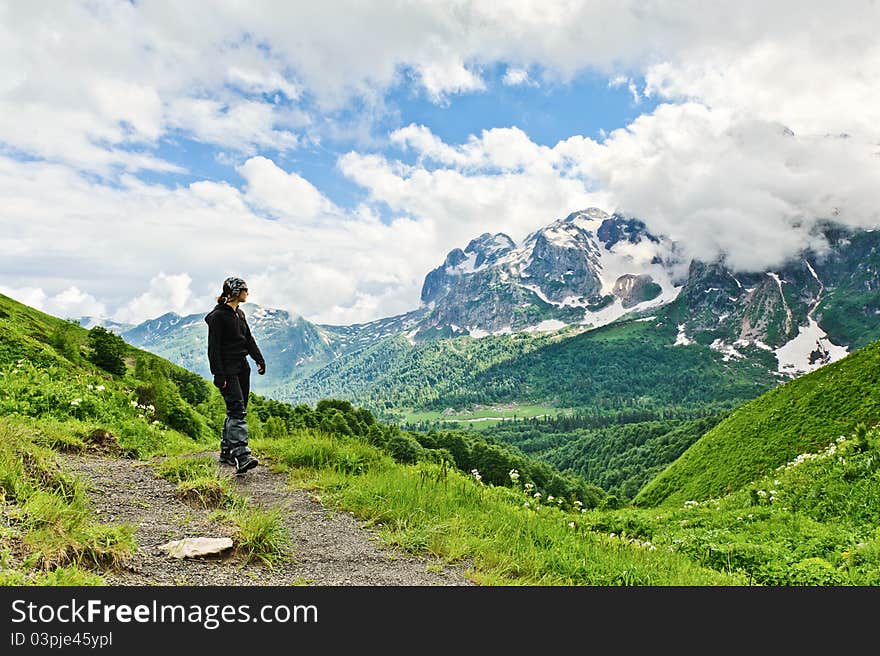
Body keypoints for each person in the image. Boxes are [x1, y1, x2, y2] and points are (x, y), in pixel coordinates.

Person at [204, 276, 266, 475]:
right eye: (245, 289)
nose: (248, 292)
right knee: (237, 409)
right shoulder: (218, 317)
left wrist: (258, 359)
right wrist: (218, 374)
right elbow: (213, 349)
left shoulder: (239, 314)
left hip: (242, 367)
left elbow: (248, 339)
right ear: (236, 291)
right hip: (227, 370)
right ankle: (242, 455)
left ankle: (226, 452)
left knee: (237, 409)